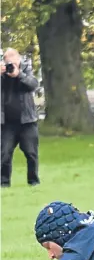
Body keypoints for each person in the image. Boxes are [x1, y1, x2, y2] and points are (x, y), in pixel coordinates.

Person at [1, 47, 40, 187]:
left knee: (31, 153)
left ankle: (33, 181)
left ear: (18, 60)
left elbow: (34, 85)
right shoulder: (2, 74)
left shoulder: (26, 70)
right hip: (7, 123)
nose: (11, 65)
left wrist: (19, 74)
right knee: (4, 154)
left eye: (13, 61)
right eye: (8, 61)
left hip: (27, 121)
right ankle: (4, 183)